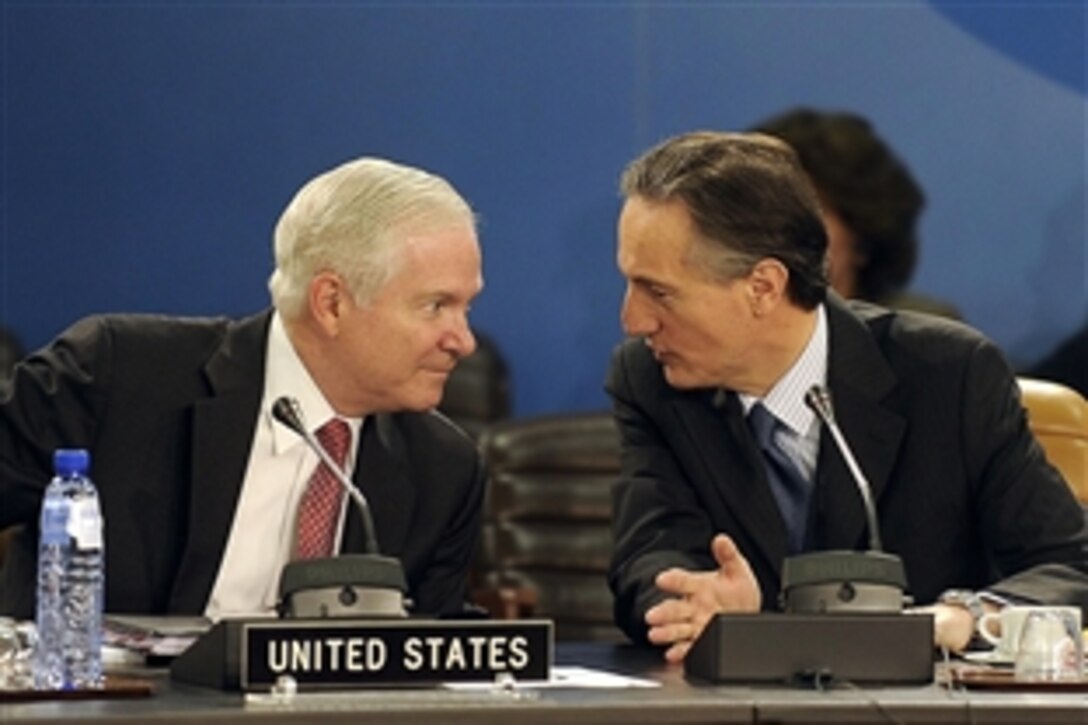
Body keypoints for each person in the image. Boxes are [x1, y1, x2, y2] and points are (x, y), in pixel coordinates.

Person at [606, 131, 1088, 663]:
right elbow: (650, 554)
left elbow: (1070, 564)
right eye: (630, 284)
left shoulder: (950, 376)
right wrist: (697, 603)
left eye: (659, 292)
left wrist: (962, 619)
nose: (633, 320)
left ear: (763, 287)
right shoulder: (649, 381)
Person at [0, 157, 486, 621]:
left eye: (466, 307)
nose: (462, 342)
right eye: (435, 306)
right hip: (110, 705)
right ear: (331, 302)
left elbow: (432, 660)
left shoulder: (443, 470)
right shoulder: (116, 376)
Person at [750, 107, 961, 319]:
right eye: (764, 210)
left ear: (862, 240)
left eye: (807, 211)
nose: (779, 232)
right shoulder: (722, 335)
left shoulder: (920, 342)